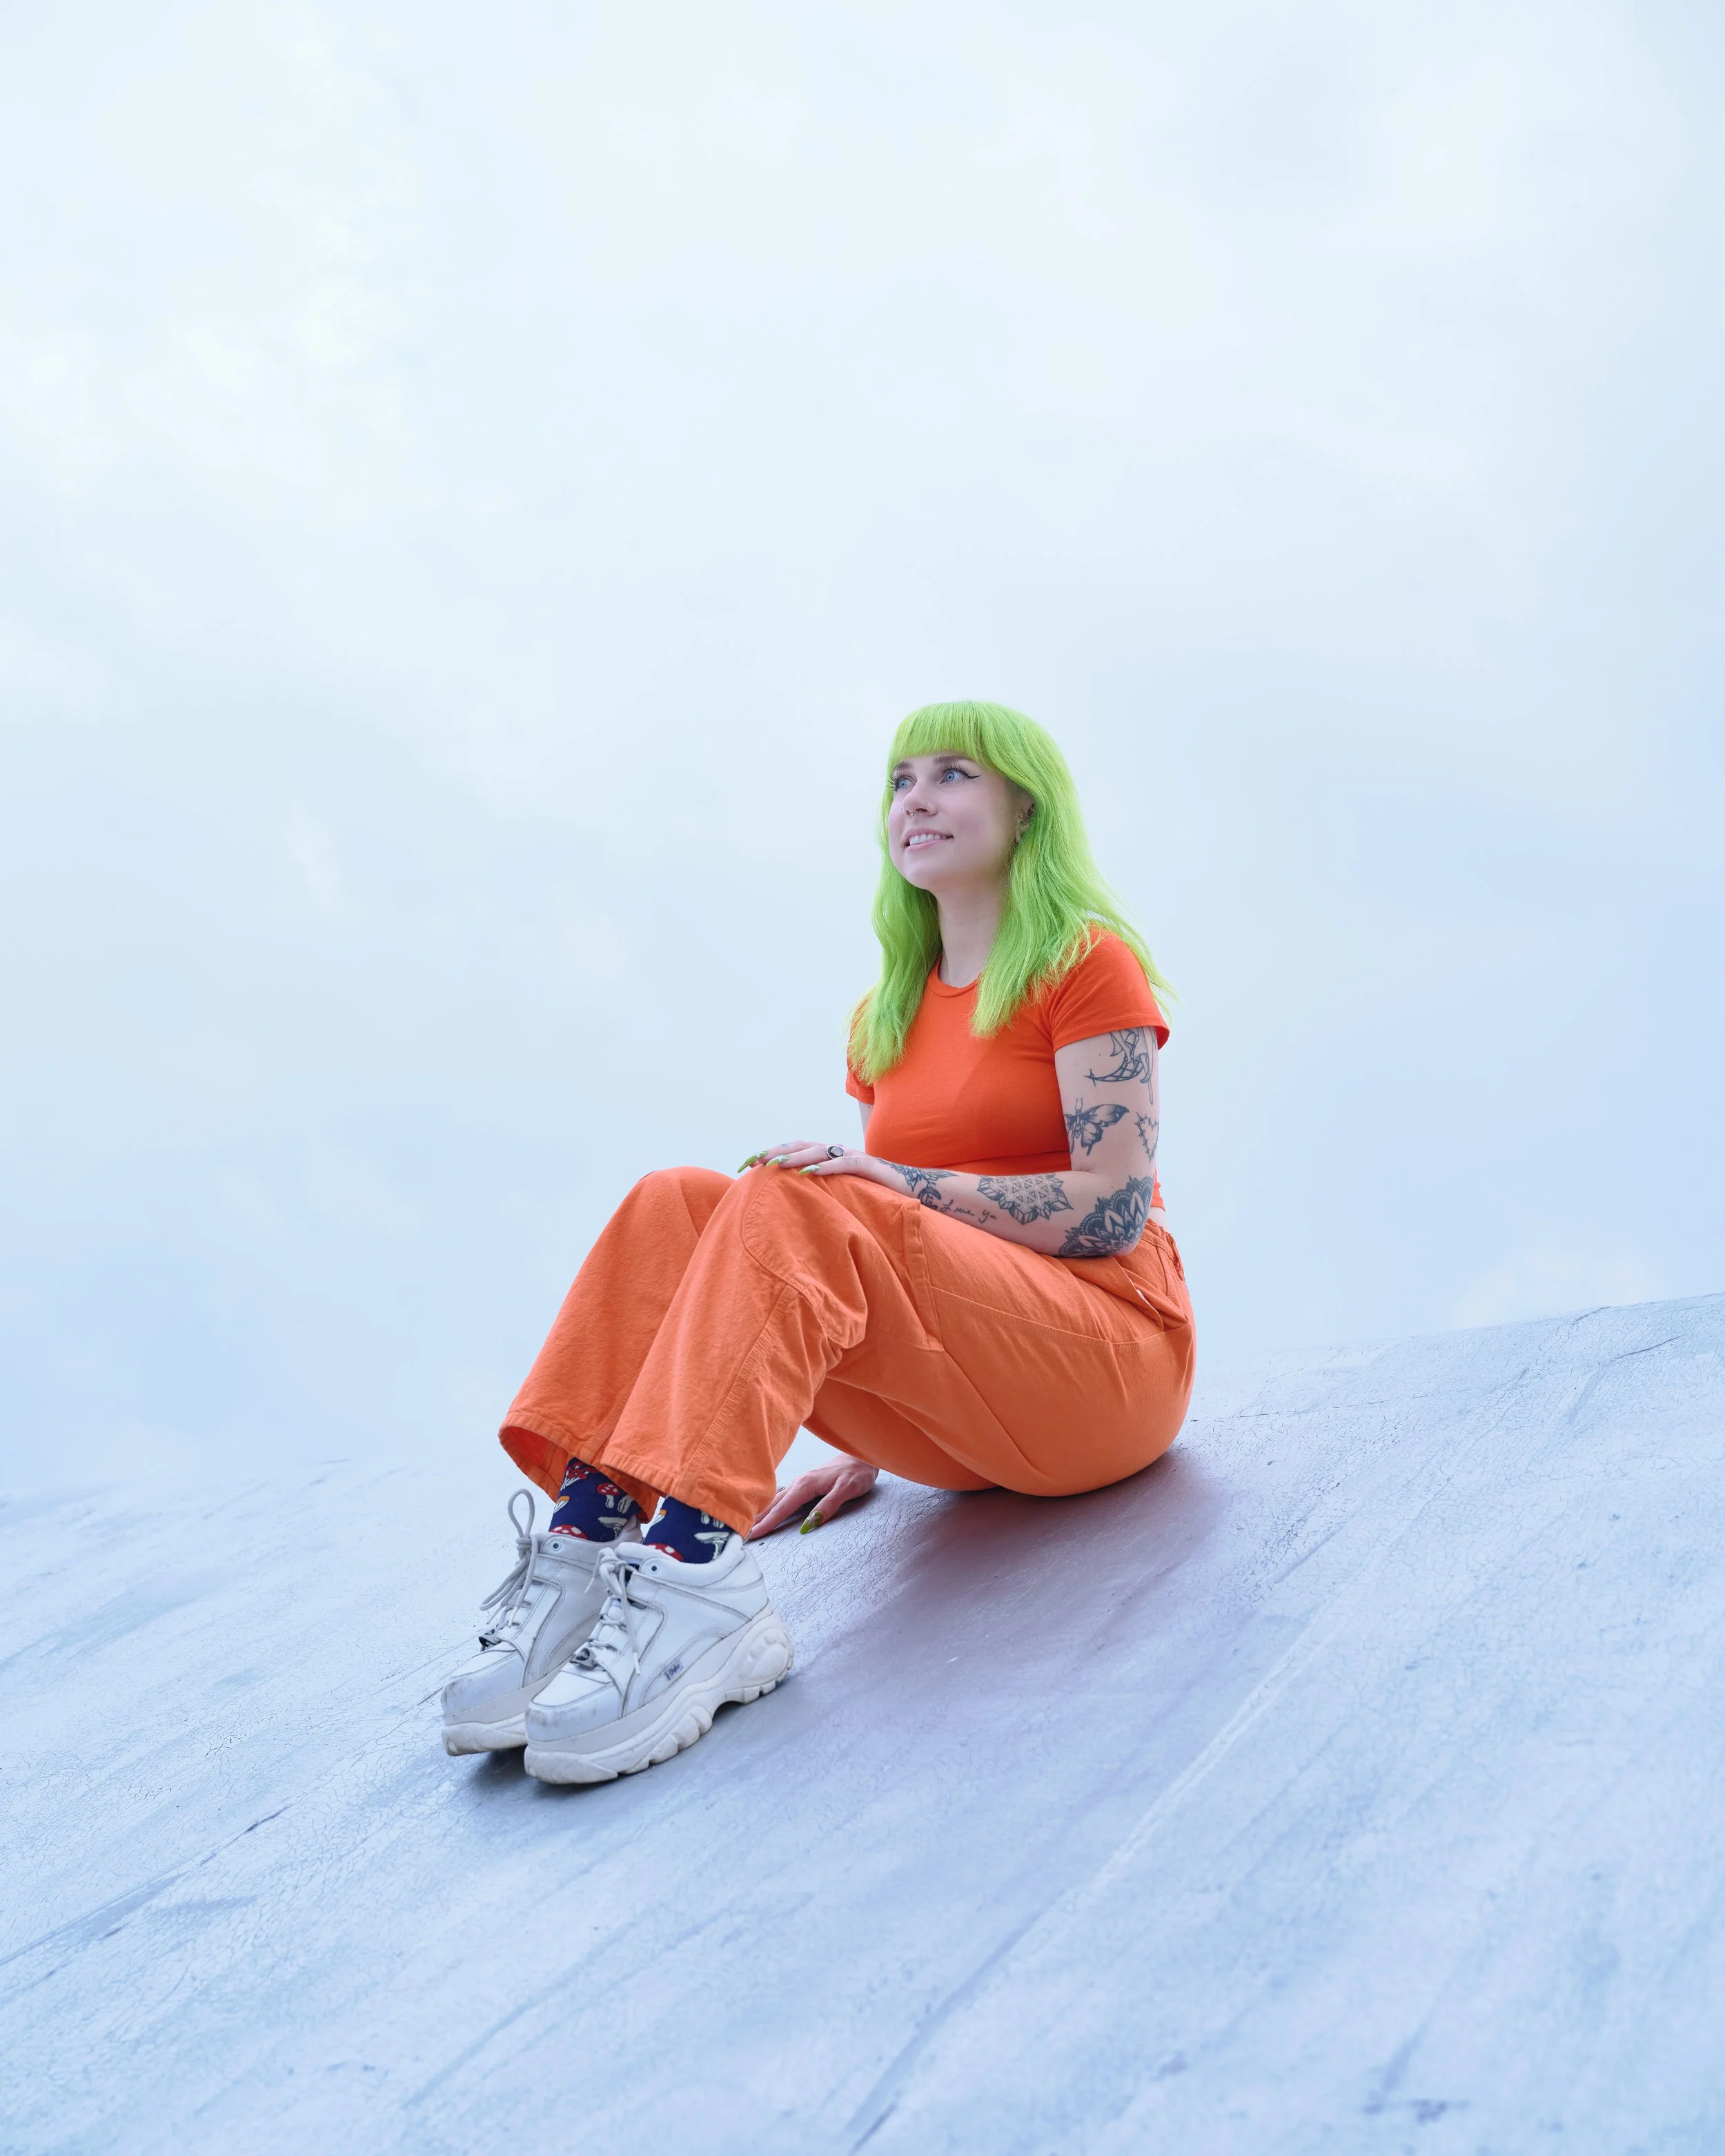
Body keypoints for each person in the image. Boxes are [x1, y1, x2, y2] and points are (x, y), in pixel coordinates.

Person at [440, 700, 1196, 1783]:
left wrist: (897, 1181)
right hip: (979, 1404)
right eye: (900, 780)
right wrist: (873, 1416)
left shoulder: (1087, 966)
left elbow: (1112, 1208)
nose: (918, 798)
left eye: (954, 775)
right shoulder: (883, 1010)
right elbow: (889, 1263)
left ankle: (701, 1578)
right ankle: (588, 1548)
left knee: (801, 1195)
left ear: (1026, 809)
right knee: (683, 1201)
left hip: (1112, 1364)